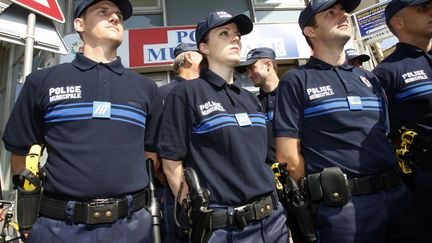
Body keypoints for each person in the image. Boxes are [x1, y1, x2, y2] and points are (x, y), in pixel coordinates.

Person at [1, 0, 163, 242]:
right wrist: (27, 213)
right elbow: (20, 155)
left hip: (133, 228)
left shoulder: (146, 88)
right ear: (79, 24)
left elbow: (151, 157)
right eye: (103, 12)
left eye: (119, 14)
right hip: (59, 228)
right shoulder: (42, 82)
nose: (115, 18)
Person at [273, 0, 415, 242]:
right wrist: (320, 201)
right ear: (310, 31)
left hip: (397, 196)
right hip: (342, 210)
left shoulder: (369, 79)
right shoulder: (297, 81)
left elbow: (385, 135)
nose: (343, 15)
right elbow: (288, 156)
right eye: (331, 13)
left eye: (343, 11)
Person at [158, 10, 289, 243]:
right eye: (224, 33)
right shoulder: (186, 93)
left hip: (273, 221)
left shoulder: (250, 99)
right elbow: (170, 164)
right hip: (224, 230)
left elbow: (263, 161)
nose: (235, 38)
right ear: (204, 48)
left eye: (237, 34)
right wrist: (195, 213)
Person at [372, 1, 432, 242]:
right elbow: (381, 134)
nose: (431, 11)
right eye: (422, 8)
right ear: (398, 22)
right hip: (423, 187)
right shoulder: (386, 73)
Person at [159, 42, 202, 243]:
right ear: (189, 58)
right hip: (177, 195)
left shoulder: (208, 91)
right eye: (202, 54)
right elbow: (153, 146)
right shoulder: (164, 94)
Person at [236, 47, 279, 166]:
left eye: (252, 68)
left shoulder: (291, 95)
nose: (249, 74)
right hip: (267, 175)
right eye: (247, 70)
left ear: (268, 65)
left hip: (297, 172)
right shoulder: (252, 102)